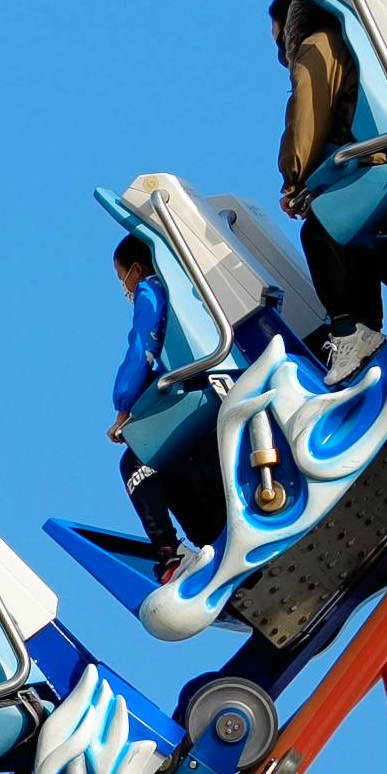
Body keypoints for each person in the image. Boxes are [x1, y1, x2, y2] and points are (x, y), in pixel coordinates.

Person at [270, 0, 387, 374]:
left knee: (321, 230)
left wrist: (293, 180)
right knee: (356, 238)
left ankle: (349, 334)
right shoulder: (359, 38)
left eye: (280, 41)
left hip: (374, 163)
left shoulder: (319, 45)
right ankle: (364, 334)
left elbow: (307, 118)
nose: (282, 54)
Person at [106, 230, 227, 575]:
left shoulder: (152, 287)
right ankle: (205, 537)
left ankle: (171, 554)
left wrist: (123, 405)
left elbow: (143, 346)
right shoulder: (187, 287)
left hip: (201, 389)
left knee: (135, 461)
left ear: (137, 269)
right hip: (212, 382)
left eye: (122, 277)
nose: (125, 287)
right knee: (165, 456)